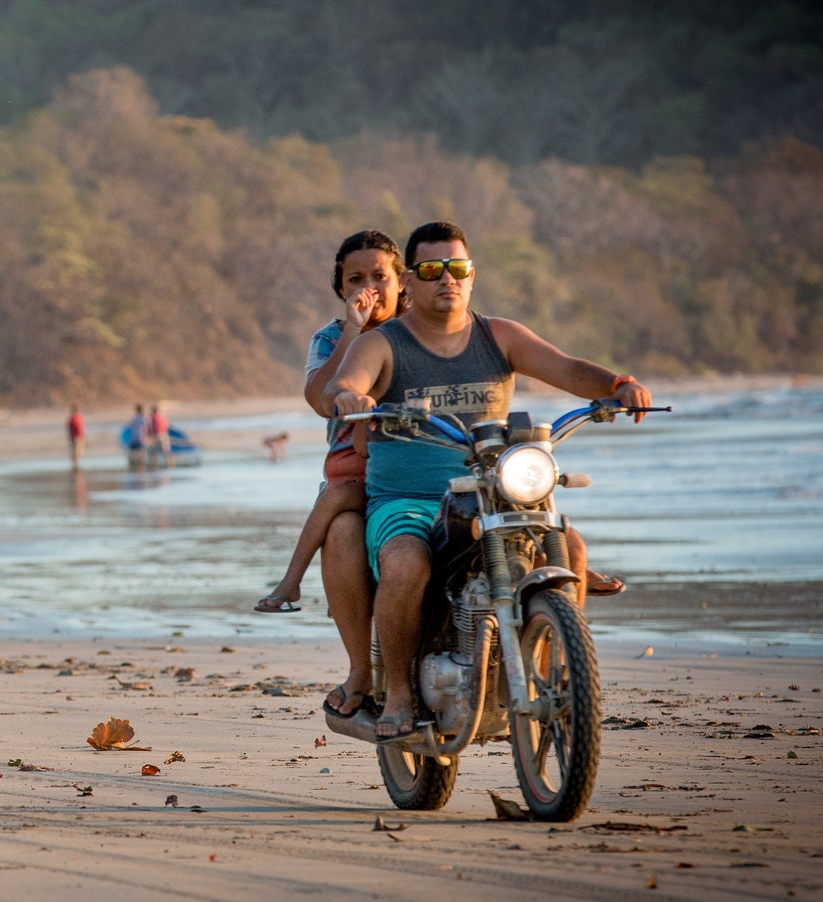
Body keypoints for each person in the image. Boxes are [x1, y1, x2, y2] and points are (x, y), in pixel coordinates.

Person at [325, 221, 653, 740]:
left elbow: (567, 369)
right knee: (406, 564)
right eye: (432, 271)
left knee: (570, 546)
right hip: (408, 500)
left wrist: (618, 384)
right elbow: (347, 379)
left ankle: (556, 674)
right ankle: (400, 694)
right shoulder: (385, 342)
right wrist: (350, 395)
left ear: (472, 275)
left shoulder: (499, 335)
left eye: (457, 269)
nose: (446, 280)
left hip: (493, 492)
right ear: (409, 280)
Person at [253, 231, 405, 727]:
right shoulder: (329, 337)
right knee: (340, 509)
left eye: (379, 277)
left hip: (416, 460)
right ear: (341, 288)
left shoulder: (421, 331)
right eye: (355, 279)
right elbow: (321, 399)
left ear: (401, 281)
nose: (369, 288)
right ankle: (360, 667)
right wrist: (352, 332)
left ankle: (290, 582)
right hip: (356, 464)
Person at [145, 403, 172, 468]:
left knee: (153, 452)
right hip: (164, 435)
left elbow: (149, 428)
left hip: (157, 436)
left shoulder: (152, 417)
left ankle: (155, 466)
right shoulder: (163, 416)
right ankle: (171, 465)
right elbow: (167, 426)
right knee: (167, 452)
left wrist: (149, 436)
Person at [67, 404, 86, 470]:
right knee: (76, 451)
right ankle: (75, 465)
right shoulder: (75, 419)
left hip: (77, 437)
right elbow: (77, 428)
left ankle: (75, 465)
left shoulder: (76, 418)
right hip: (77, 437)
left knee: (77, 451)